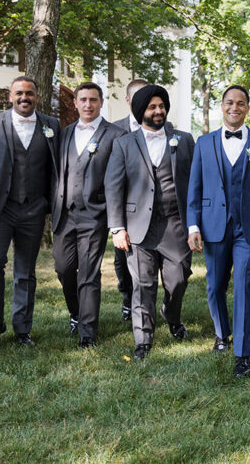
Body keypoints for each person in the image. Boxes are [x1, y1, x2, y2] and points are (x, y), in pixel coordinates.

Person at [186, 85, 250, 378]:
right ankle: (221, 332)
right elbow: (195, 188)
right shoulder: (204, 143)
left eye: (241, 103)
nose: (235, 107)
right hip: (214, 225)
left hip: (249, 229)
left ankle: (242, 355)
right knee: (215, 285)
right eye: (230, 102)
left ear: (248, 108)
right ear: (222, 106)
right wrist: (193, 225)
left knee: (244, 286)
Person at [106, 85, 195, 360]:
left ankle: (171, 313)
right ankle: (143, 341)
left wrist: (195, 224)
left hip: (175, 224)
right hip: (138, 227)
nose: (158, 111)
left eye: (161, 106)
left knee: (178, 279)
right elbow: (113, 186)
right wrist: (117, 227)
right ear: (140, 111)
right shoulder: (124, 143)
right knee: (142, 285)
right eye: (152, 107)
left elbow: (196, 181)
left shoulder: (185, 139)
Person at [0, 76, 61, 348]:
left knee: (25, 271)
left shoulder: (51, 125)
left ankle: (23, 329)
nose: (25, 98)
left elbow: (59, 166)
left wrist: (48, 203)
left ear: (37, 96)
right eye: (19, 94)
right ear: (10, 97)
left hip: (33, 210)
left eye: (30, 94)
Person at [52, 81, 126, 348]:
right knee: (63, 268)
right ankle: (76, 313)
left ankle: (88, 332)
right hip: (64, 213)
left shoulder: (115, 135)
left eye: (93, 100)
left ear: (101, 102)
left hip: (95, 215)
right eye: (82, 100)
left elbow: (118, 180)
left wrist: (115, 219)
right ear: (75, 103)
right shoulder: (65, 133)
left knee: (89, 274)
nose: (87, 104)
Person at [110, 78, 149, 321]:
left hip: (152, 204)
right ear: (128, 101)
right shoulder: (115, 130)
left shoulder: (165, 126)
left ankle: (149, 301)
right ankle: (127, 299)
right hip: (123, 205)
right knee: (122, 259)